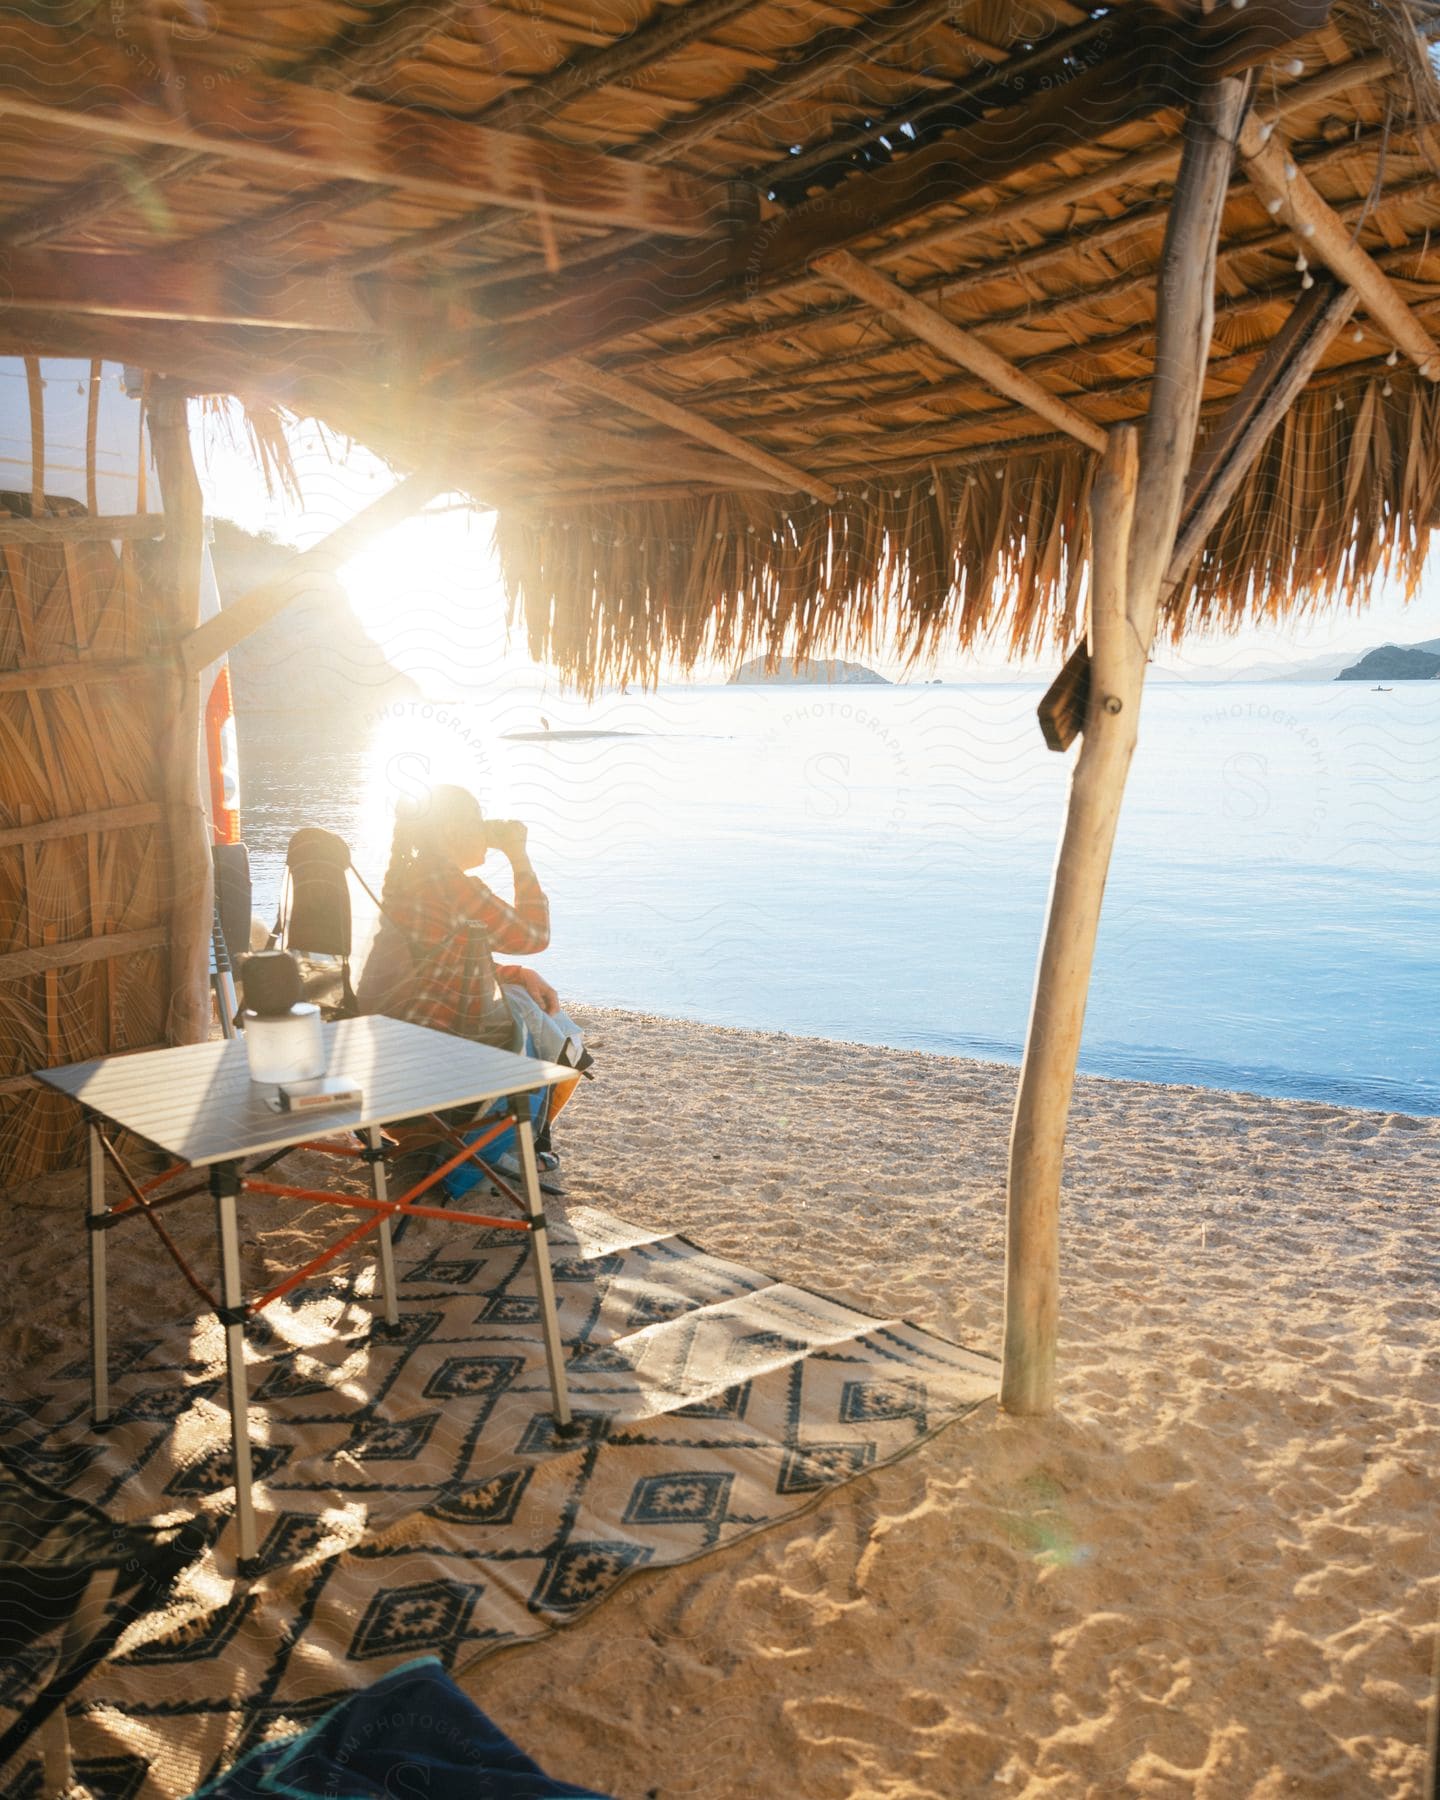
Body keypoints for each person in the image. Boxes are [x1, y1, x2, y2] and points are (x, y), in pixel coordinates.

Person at [356, 785, 586, 1176]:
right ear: (450, 832)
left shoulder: (411, 878)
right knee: (551, 1026)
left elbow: (440, 962)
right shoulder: (451, 884)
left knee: (524, 997)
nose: (486, 833)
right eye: (478, 823)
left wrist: (517, 973)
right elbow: (534, 935)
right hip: (444, 1042)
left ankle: (518, 1138)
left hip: (398, 1033)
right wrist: (517, 854)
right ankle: (524, 1142)